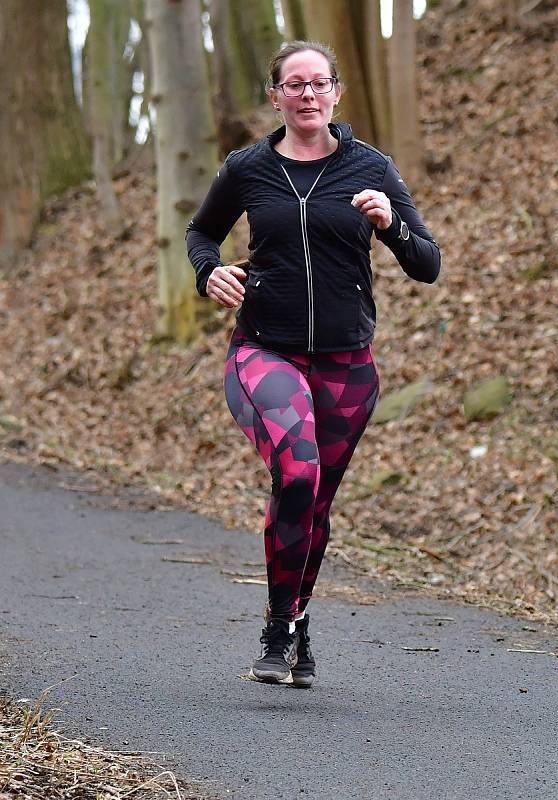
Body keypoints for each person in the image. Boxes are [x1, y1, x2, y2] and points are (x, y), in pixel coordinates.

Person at [185, 40, 440, 688]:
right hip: (264, 349)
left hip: (347, 365)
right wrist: (209, 272)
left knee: (316, 501)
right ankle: (277, 624)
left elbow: (426, 264)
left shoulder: (371, 168)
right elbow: (200, 233)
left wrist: (392, 226)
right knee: (296, 473)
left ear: (335, 92)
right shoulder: (248, 167)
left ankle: (293, 619)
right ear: (275, 96)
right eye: (291, 85)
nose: (305, 94)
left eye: (316, 83)